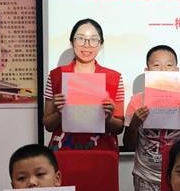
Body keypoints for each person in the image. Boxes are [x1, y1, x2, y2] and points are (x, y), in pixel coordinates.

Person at [123, 45, 180, 191]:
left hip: (178, 176)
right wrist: (135, 123)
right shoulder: (136, 101)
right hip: (145, 176)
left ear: (177, 71)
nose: (163, 70)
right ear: (147, 71)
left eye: (169, 65)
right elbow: (128, 145)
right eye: (157, 65)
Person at [43, 18, 124, 151]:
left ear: (100, 44)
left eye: (93, 40)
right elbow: (48, 125)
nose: (87, 45)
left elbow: (119, 128)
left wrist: (109, 118)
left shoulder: (114, 78)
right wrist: (58, 112)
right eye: (81, 39)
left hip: (102, 152)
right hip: (64, 152)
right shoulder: (55, 76)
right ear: (72, 42)